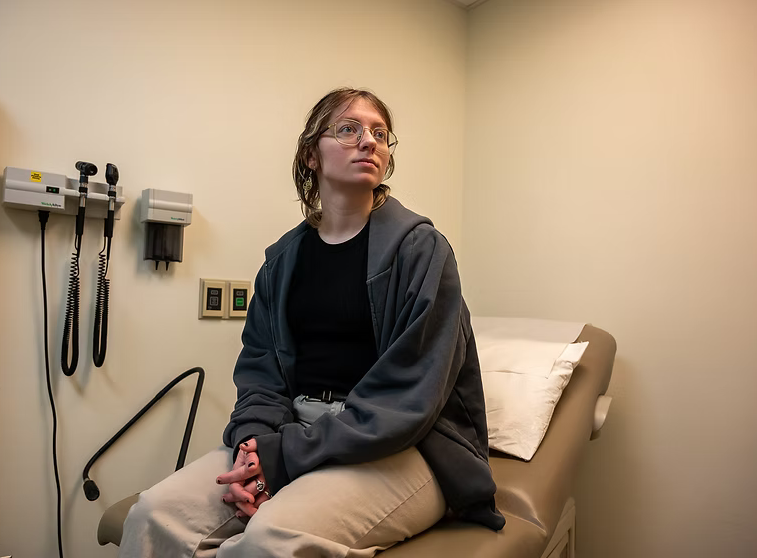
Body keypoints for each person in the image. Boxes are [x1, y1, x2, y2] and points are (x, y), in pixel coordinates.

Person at [119, 87, 504, 558]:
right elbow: (261, 377)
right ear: (310, 156)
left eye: (380, 133)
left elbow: (406, 398)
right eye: (348, 129)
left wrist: (282, 457)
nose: (369, 141)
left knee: (271, 536)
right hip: (300, 432)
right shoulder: (282, 262)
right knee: (152, 515)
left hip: (408, 448)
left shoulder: (423, 251)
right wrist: (255, 447)